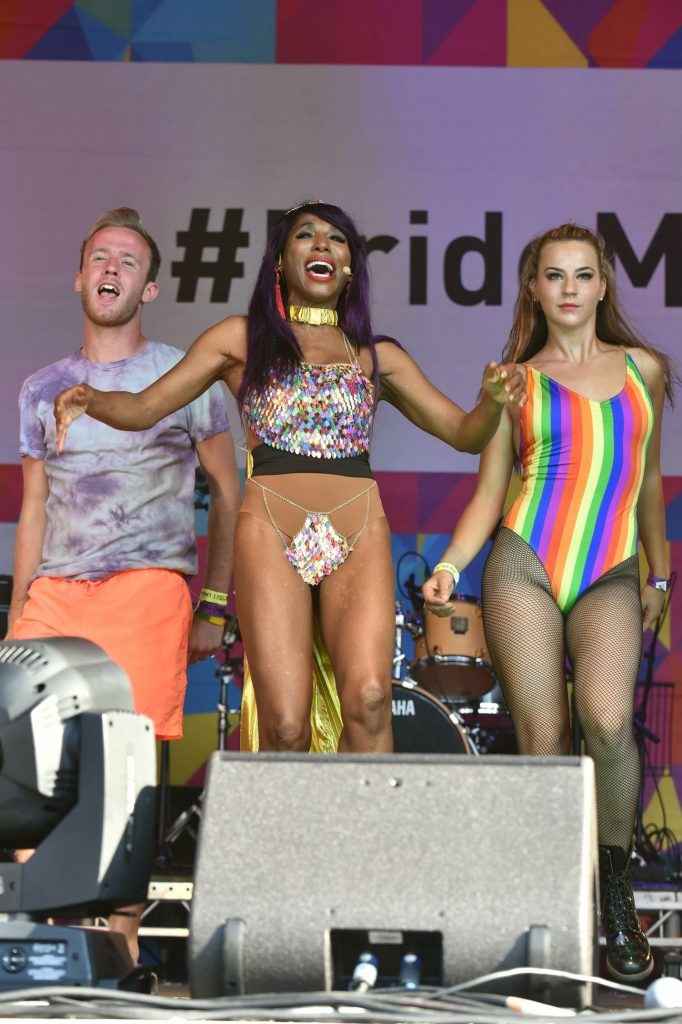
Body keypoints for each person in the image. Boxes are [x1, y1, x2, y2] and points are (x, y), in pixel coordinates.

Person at [53, 200, 525, 757]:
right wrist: (90, 398)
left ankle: (370, 817)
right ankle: (288, 817)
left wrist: (493, 403)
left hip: (357, 529)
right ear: (281, 260)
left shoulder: (378, 358)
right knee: (285, 725)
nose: (322, 244)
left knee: (371, 699)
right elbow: (144, 408)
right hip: (270, 529)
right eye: (306, 235)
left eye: (336, 239)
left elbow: (465, 434)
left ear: (349, 268)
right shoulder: (239, 339)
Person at [423, 223, 674, 982]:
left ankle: (615, 897)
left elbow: (648, 480)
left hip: (612, 571)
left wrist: (660, 576)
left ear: (603, 286)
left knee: (607, 723)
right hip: (522, 564)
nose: (569, 288)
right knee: (544, 735)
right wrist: (450, 564)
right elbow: (488, 491)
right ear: (533, 289)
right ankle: (550, 909)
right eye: (554, 275)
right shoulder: (514, 380)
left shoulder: (645, 370)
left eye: (583, 274)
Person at [8, 207, 240, 964]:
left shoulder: (184, 376)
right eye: (100, 258)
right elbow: (34, 507)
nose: (111, 268)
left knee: (124, 770)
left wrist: (213, 604)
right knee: (32, 765)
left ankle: (121, 946)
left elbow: (229, 492)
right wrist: (17, 618)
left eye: (128, 261)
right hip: (56, 594)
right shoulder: (41, 387)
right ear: (79, 278)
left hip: (146, 586)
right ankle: (44, 941)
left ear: (149, 288)